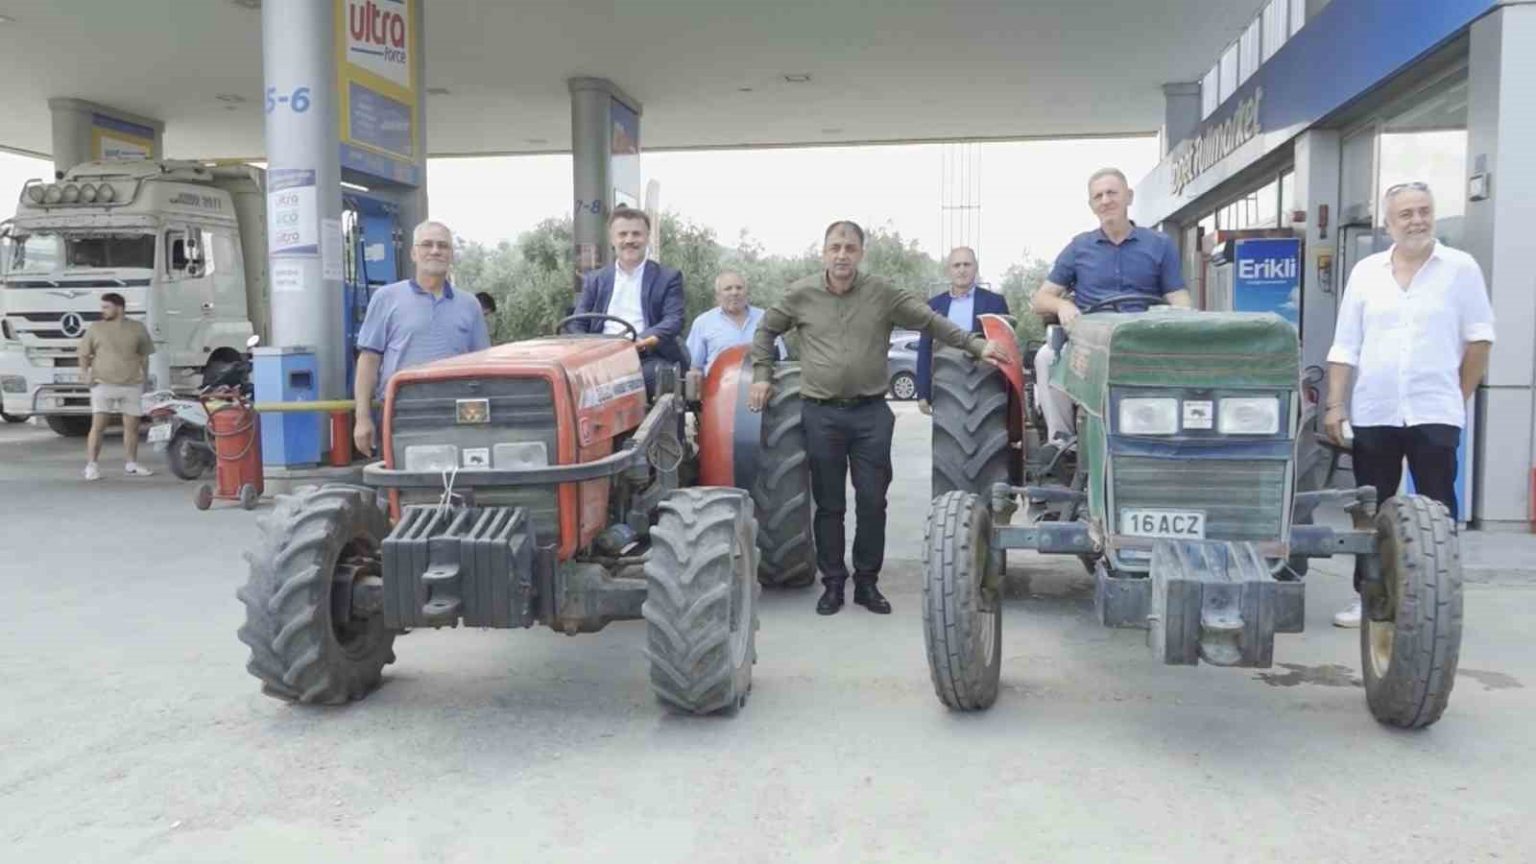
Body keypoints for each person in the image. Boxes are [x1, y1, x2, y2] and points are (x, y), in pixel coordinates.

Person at [750, 221, 1006, 616]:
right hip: (820, 413)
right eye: (835, 247)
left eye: (850, 248)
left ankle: (867, 583)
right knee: (830, 504)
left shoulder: (882, 293)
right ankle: (833, 583)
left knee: (872, 501)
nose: (842, 255)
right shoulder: (800, 294)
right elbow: (766, 330)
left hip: (870, 414)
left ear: (860, 253)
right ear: (824, 252)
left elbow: (931, 321)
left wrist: (975, 344)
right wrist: (762, 374)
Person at [1324, 181, 1494, 628]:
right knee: (1371, 508)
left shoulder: (1461, 269)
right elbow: (1345, 346)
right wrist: (1335, 405)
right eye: (1406, 214)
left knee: (1438, 511)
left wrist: (1456, 397)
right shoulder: (1366, 273)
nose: (1417, 220)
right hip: (1375, 410)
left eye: (1424, 210)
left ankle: (1439, 604)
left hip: (1434, 411)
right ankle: (1370, 598)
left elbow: (1479, 340)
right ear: (1388, 224)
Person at [1030, 168, 1192, 443]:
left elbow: (1179, 297)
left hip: (1144, 339)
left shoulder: (1160, 245)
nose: (1105, 200)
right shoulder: (1079, 247)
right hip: (1088, 343)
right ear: (1091, 205)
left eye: (1112, 193)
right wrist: (1062, 306)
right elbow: (1040, 299)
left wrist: (1185, 318)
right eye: (1098, 196)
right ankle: (1063, 440)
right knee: (1047, 357)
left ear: (1129, 197)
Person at [353, 220, 491, 456]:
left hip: (457, 414)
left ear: (451, 255)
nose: (435, 251)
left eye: (443, 246)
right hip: (402, 412)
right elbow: (368, 361)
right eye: (427, 244)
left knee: (458, 478)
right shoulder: (386, 298)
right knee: (402, 479)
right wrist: (362, 418)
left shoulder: (470, 305)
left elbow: (482, 365)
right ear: (413, 253)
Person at [569, 207, 688, 390]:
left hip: (646, 356)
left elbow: (674, 320)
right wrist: (592, 349)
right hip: (600, 357)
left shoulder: (668, 277)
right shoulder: (595, 279)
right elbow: (577, 322)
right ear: (612, 239)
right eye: (622, 234)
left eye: (636, 234)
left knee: (652, 377)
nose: (629, 240)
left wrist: (641, 340)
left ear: (647, 238)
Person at [916, 246, 1010, 414]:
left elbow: (1004, 347)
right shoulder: (934, 305)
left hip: (985, 385)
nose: (962, 270)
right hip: (945, 386)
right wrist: (923, 392)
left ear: (976, 267)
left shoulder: (995, 302)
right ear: (948, 270)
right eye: (956, 265)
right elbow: (925, 348)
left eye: (967, 264)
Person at [78, 292, 156, 480]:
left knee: (132, 427)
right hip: (102, 383)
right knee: (98, 425)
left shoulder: (137, 328)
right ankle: (92, 465)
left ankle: (131, 464)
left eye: (106, 307)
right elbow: (83, 354)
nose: (103, 311)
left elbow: (144, 355)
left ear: (119, 308)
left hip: (131, 383)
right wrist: (85, 373)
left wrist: (145, 378)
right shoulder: (96, 328)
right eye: (102, 307)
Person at [685, 271, 772, 374]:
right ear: (717, 296)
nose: (734, 293)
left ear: (746, 292)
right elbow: (694, 368)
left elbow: (780, 360)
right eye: (728, 289)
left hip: (760, 382)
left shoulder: (765, 318)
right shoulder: (703, 323)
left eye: (739, 288)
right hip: (719, 383)